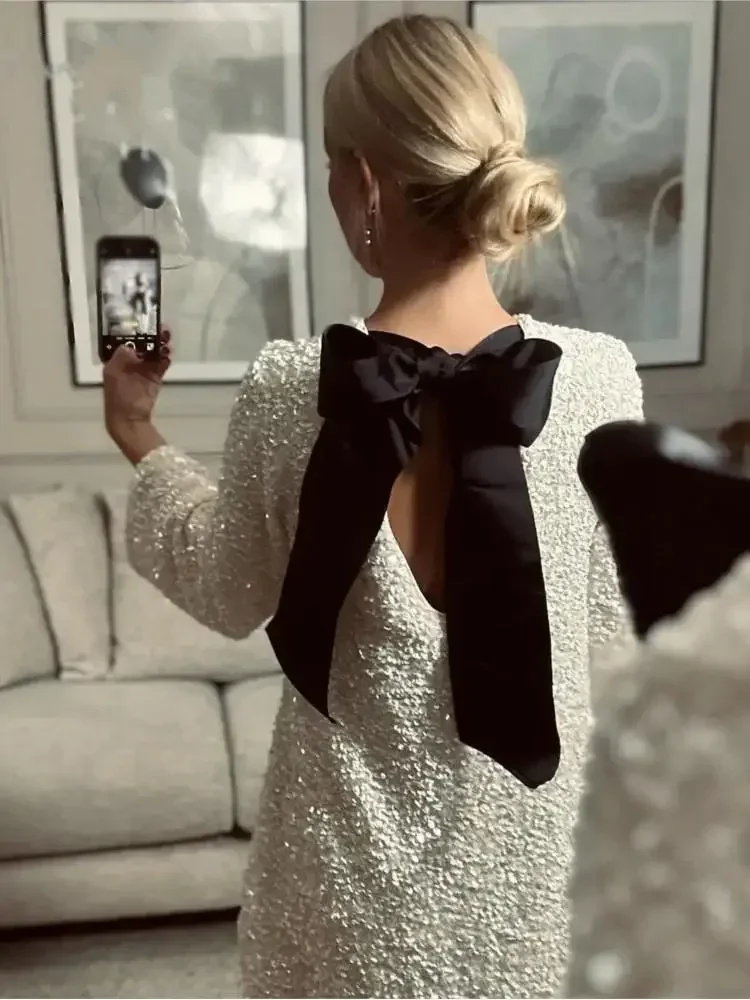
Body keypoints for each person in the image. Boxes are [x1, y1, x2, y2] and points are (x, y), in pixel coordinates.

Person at [101, 15, 643, 999]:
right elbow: (607, 638)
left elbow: (225, 587)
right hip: (530, 873)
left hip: (344, 882)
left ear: (364, 182)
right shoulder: (599, 382)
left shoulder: (293, 389)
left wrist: (137, 431)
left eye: (328, 164)